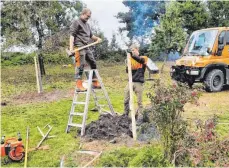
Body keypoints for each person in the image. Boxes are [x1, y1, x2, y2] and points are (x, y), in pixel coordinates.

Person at [69, 8, 102, 92]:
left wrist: (97, 38)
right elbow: (72, 36)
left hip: (86, 46)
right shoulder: (76, 22)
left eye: (89, 17)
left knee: (92, 62)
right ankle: (79, 85)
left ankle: (94, 82)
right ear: (83, 14)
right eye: (87, 16)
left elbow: (91, 36)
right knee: (80, 65)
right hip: (79, 47)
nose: (88, 18)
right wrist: (71, 48)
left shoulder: (87, 25)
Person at [124, 44, 148, 122]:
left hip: (138, 82)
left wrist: (131, 55)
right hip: (130, 81)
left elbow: (141, 61)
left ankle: (140, 117)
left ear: (137, 50)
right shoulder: (130, 59)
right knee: (126, 99)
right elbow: (127, 71)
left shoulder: (144, 58)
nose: (132, 51)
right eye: (131, 50)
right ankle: (125, 114)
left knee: (139, 102)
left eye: (133, 50)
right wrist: (127, 64)